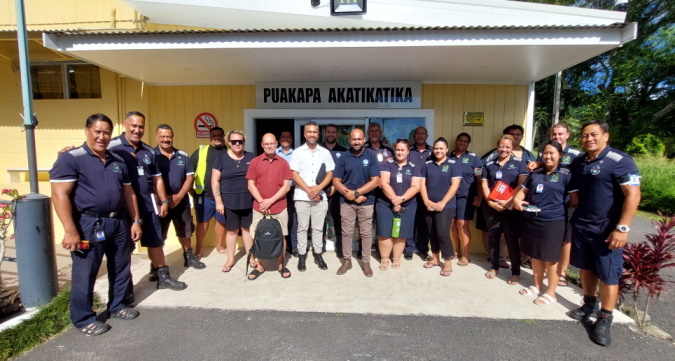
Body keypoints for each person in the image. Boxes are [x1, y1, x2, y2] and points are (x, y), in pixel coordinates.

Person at [51, 113, 143, 336]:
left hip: (118, 221)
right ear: (87, 131)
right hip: (88, 223)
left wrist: (136, 220)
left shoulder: (117, 160)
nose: (102, 137)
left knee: (121, 266)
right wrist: (70, 230)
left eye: (106, 132)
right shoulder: (71, 158)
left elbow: (128, 192)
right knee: (86, 272)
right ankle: (83, 318)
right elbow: (59, 194)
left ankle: (118, 305)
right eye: (98, 131)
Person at [567, 120, 641, 347]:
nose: (589, 138)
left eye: (594, 134)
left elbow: (633, 195)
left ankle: (605, 317)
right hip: (582, 225)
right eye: (585, 135)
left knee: (609, 274)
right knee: (586, 268)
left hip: (608, 231)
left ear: (606, 136)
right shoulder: (579, 162)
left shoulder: (620, 161)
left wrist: (622, 228)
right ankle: (589, 303)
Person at [109, 111, 186, 290]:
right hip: (123, 208)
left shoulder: (148, 151)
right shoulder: (111, 146)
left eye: (141, 126)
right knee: (123, 249)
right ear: (125, 124)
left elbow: (157, 178)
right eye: (133, 125)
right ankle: (124, 287)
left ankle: (162, 276)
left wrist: (163, 201)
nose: (137, 130)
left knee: (156, 241)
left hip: (147, 204)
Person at [513, 140, 578, 305]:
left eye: (552, 153)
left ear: (560, 155)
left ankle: (551, 292)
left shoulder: (566, 174)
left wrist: (555, 208)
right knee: (535, 255)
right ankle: (537, 286)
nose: (548, 156)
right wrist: (518, 202)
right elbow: (521, 193)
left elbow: (575, 200)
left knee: (550, 258)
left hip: (554, 222)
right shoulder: (536, 173)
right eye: (545, 153)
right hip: (533, 219)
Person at [528, 122, 582, 286]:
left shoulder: (576, 154)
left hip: (567, 203)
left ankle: (562, 272)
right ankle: (544, 272)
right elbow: (543, 165)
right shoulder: (544, 152)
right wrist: (538, 163)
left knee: (565, 239)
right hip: (547, 203)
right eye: (554, 134)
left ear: (567, 135)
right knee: (545, 240)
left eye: (560, 134)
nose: (557, 136)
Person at [154, 124, 205, 270]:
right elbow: (150, 180)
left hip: (181, 201)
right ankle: (156, 265)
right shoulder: (151, 156)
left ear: (172, 137)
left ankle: (188, 258)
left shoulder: (182, 155)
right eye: (162, 136)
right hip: (160, 203)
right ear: (157, 137)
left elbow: (190, 177)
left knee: (185, 230)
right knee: (159, 236)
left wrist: (179, 196)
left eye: (168, 136)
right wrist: (164, 199)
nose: (166, 139)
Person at [332, 128, 381, 277]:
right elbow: (336, 181)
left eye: (359, 139)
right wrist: (352, 195)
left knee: (366, 233)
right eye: (354, 139)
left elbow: (376, 181)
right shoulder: (343, 157)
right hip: (347, 202)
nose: (356, 142)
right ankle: (347, 261)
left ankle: (365, 262)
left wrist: (357, 193)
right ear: (349, 141)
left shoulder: (371, 156)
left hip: (366, 201)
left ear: (363, 139)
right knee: (346, 232)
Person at [481, 134, 528, 285]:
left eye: (507, 147)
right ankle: (494, 267)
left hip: (510, 208)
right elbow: (484, 185)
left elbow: (521, 185)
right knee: (493, 237)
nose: (504, 149)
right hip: (492, 207)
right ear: (497, 146)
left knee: (511, 239)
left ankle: (515, 272)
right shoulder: (489, 164)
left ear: (512, 147)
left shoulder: (519, 163)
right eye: (501, 146)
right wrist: (490, 202)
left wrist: (508, 202)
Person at [246, 133, 293, 280]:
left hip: (279, 206)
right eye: (266, 144)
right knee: (259, 236)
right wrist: (262, 201)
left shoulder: (283, 163)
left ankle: (281, 265)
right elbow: (250, 184)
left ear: (276, 144)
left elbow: (286, 186)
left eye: (272, 143)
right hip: (259, 207)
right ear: (262, 145)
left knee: (281, 235)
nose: (269, 146)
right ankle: (260, 266)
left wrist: (270, 201)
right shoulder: (255, 162)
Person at [290, 121, 335, 271]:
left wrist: (318, 189)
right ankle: (302, 256)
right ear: (304, 134)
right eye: (309, 132)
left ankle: (318, 254)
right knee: (302, 228)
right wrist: (308, 190)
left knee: (318, 228)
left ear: (318, 134)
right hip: (302, 196)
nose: (312, 134)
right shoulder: (297, 152)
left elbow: (329, 174)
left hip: (320, 197)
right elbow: (294, 174)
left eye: (315, 132)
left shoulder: (324, 152)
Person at [212, 130, 255, 273]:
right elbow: (215, 180)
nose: (237, 144)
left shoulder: (250, 156)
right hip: (229, 201)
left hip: (247, 200)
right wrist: (218, 201)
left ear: (244, 142)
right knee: (231, 231)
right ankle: (230, 258)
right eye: (234, 141)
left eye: (240, 141)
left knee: (247, 230)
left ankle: (251, 257)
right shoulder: (222, 158)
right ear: (229, 143)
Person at [419, 137, 462, 277]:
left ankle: (448, 261)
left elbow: (455, 185)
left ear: (447, 149)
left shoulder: (453, 164)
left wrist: (443, 202)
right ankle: (436, 258)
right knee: (431, 232)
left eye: (441, 148)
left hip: (447, 205)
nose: (438, 150)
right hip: (429, 205)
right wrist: (426, 200)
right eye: (436, 148)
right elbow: (422, 184)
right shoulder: (428, 164)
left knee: (442, 233)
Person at [376, 139, 421, 270]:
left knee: (401, 233)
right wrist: (394, 199)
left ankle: (396, 257)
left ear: (408, 151)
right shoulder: (387, 165)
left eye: (402, 150)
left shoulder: (414, 168)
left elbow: (416, 186)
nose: (399, 152)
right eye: (397, 149)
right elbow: (384, 183)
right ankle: (384, 259)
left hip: (407, 204)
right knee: (385, 232)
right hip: (385, 203)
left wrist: (401, 199)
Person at [190, 127, 227, 257]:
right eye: (214, 135)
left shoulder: (229, 151)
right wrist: (191, 191)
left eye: (220, 135)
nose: (217, 137)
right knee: (203, 222)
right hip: (204, 195)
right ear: (210, 137)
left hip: (224, 196)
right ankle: (199, 248)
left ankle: (220, 245)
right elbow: (188, 173)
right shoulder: (201, 151)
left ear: (224, 137)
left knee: (221, 221)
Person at [449, 133, 483, 266]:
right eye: (460, 140)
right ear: (456, 141)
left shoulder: (473, 158)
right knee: (452, 223)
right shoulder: (448, 157)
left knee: (462, 224)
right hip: (451, 196)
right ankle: (456, 251)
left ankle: (466, 255)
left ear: (468, 144)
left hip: (466, 197)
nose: (462, 143)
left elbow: (479, 179)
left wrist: (479, 196)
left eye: (465, 141)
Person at [322, 124, 348, 258]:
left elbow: (346, 173)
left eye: (333, 132)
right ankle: (319, 249)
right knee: (319, 222)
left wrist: (334, 186)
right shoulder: (318, 149)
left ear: (337, 134)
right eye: (328, 132)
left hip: (337, 193)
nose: (331, 134)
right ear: (325, 133)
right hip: (320, 192)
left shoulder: (344, 152)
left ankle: (340, 249)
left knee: (339, 221)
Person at [407, 126, 432, 261]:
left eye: (423, 134)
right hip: (410, 192)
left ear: (426, 136)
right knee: (410, 222)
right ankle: (409, 249)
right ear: (414, 135)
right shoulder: (408, 151)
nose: (420, 136)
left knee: (424, 223)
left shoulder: (433, 151)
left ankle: (423, 249)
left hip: (426, 194)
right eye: (418, 133)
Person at [277, 130, 299, 257]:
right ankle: (279, 245)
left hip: (292, 190)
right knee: (279, 219)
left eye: (288, 137)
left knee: (293, 219)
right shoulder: (274, 153)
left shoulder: (296, 154)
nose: (286, 139)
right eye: (283, 136)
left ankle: (294, 245)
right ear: (279, 139)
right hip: (277, 191)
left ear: (292, 139)